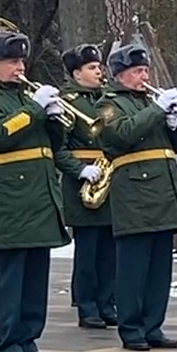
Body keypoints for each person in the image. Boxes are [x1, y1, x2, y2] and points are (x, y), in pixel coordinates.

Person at [0, 29, 71, 352]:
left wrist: (55, 120)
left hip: (38, 197)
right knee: (9, 276)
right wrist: (36, 111)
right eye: (12, 62)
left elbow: (50, 147)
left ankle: (28, 339)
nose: (19, 67)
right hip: (7, 199)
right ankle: (8, 343)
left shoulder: (26, 95)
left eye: (22, 60)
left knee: (35, 275)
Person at [97, 41, 177, 351]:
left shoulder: (151, 103)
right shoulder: (110, 103)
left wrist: (175, 124)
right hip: (135, 194)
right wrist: (157, 110)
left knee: (159, 269)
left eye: (146, 70)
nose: (144, 76)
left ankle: (154, 325)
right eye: (138, 71)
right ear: (120, 75)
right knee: (133, 268)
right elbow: (120, 135)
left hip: (163, 193)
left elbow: (176, 147)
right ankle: (132, 327)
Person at [59, 44, 118, 328]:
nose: (99, 72)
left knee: (110, 249)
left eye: (99, 67)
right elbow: (58, 148)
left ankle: (107, 303)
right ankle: (88, 307)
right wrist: (80, 170)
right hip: (83, 181)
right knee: (88, 251)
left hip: (109, 175)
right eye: (92, 68)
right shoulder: (67, 101)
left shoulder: (107, 97)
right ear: (76, 73)